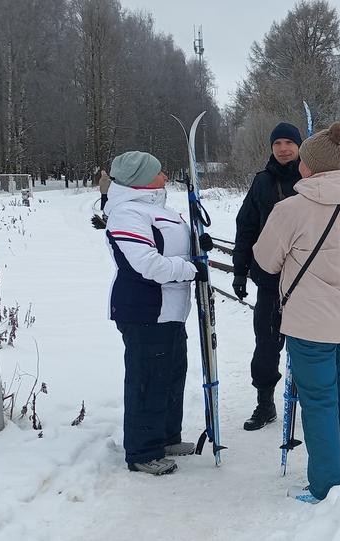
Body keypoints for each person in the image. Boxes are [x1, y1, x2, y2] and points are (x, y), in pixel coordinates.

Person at [253, 122, 340, 503]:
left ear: (308, 166)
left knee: (319, 401)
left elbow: (265, 260)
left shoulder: (289, 209)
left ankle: (326, 485)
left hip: (310, 327)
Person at [104, 150, 209, 475]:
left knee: (171, 374)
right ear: (141, 179)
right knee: (147, 380)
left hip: (170, 312)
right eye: (159, 171)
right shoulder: (126, 214)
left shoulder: (152, 208)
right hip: (146, 311)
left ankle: (165, 436)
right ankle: (142, 451)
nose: (165, 175)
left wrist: (198, 243)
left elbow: (172, 246)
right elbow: (147, 264)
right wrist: (190, 269)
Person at [233, 122, 303, 431]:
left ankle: (308, 399)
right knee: (266, 343)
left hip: (306, 281)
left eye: (290, 142)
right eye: (278, 143)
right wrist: (240, 270)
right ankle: (265, 403)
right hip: (271, 278)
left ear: (300, 147)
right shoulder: (262, 183)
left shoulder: (311, 180)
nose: (284, 148)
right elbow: (246, 226)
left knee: (307, 344)